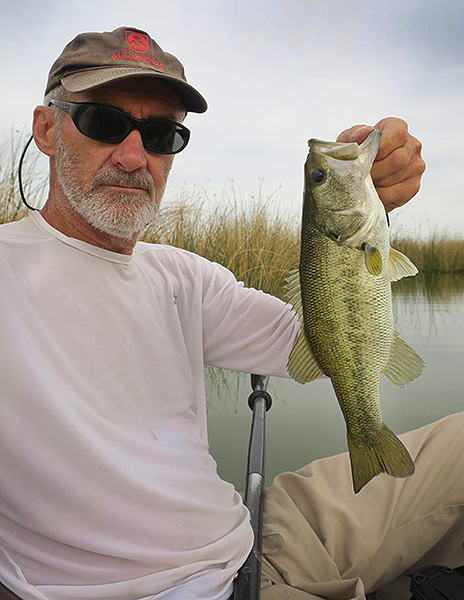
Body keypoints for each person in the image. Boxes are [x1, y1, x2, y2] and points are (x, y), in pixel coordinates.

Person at [0, 25, 462, 600]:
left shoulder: (187, 277)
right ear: (47, 129)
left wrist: (375, 207)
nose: (132, 155)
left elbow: (318, 338)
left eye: (163, 134)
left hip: (258, 537)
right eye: (103, 122)